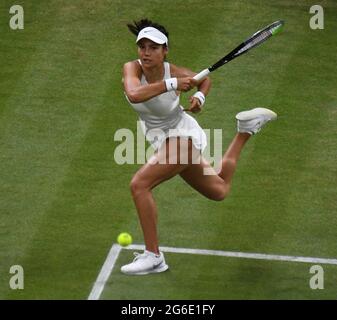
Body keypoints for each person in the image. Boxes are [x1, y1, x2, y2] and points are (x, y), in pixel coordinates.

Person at [121, 18, 277, 275]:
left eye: (153, 47)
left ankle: (153, 256)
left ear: (165, 51)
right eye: (142, 46)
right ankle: (245, 130)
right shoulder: (132, 69)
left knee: (139, 185)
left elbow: (204, 81)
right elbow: (134, 94)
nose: (146, 53)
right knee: (219, 190)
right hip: (163, 139)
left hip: (183, 137)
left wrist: (199, 96)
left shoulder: (177, 71)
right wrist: (172, 85)